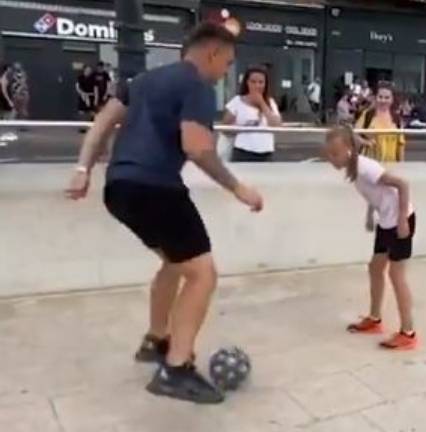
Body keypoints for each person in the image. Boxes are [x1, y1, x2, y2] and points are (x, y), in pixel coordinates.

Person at [65, 23, 264, 404]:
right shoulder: (197, 86)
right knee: (203, 274)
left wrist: (82, 169)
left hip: (119, 187)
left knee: (176, 263)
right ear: (211, 53)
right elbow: (198, 148)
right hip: (155, 187)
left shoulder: (142, 80)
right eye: (227, 63)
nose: (226, 72)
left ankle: (157, 340)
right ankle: (175, 370)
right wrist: (239, 188)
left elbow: (103, 122)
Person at [324, 126, 418, 351]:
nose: (331, 159)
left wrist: (403, 219)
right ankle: (375, 319)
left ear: (348, 150)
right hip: (386, 222)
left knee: (397, 275)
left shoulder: (366, 168)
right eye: (328, 154)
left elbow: (402, 184)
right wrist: (370, 214)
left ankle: (409, 333)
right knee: (375, 268)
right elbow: (375, 193)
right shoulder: (354, 169)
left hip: (400, 221)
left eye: (334, 154)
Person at [222, 66, 282, 162]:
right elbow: (225, 129)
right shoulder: (237, 101)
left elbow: (277, 125)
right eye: (253, 82)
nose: (257, 85)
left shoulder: (270, 102)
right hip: (243, 151)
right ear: (247, 82)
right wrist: (243, 127)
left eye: (261, 82)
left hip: (266, 152)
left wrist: (262, 103)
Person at [355, 81, 406, 163]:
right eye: (380, 97)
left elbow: (400, 145)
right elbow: (354, 135)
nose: (383, 100)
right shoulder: (368, 115)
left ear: (392, 99)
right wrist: (365, 142)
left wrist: (401, 164)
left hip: (390, 165)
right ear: (376, 98)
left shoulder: (397, 119)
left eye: (387, 97)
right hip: (369, 164)